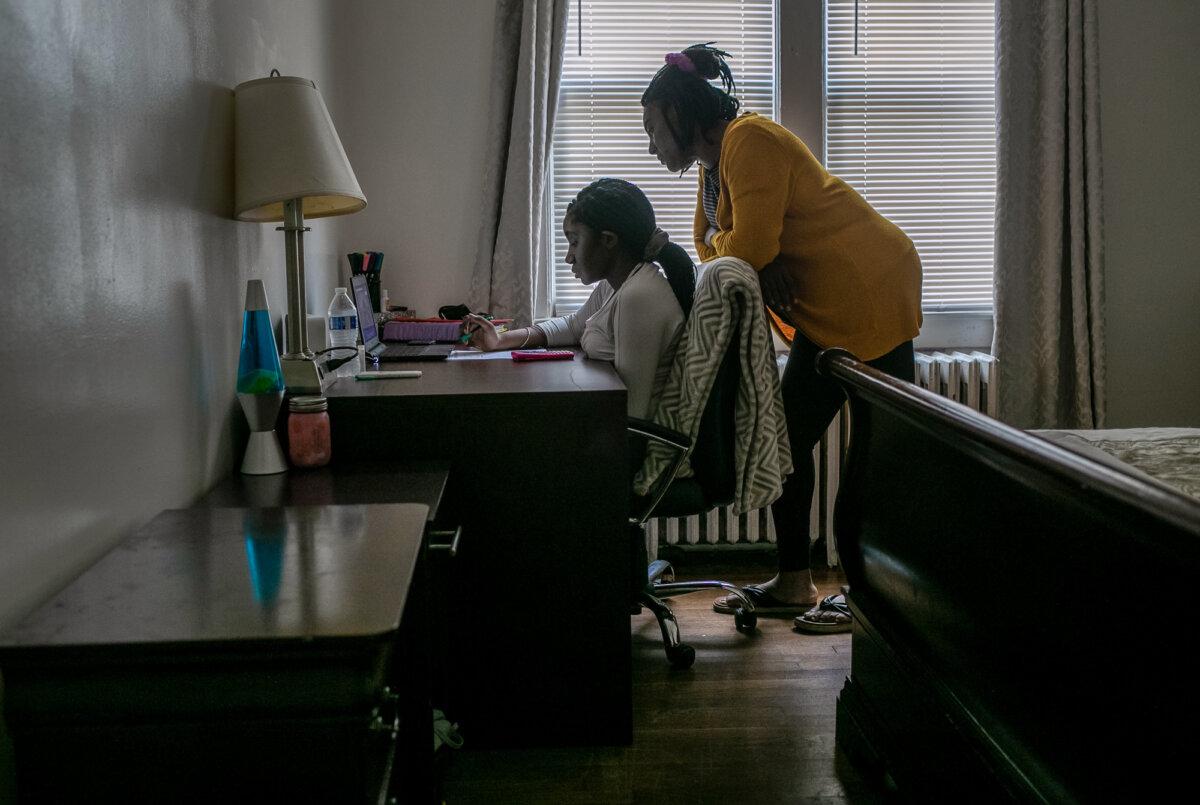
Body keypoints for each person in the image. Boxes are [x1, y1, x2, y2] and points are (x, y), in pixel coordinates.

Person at [641, 44, 922, 632]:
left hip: (871, 291)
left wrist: (755, 255)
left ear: (677, 113)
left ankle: (875, 598)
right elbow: (718, 250)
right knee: (783, 447)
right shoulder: (713, 170)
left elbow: (743, 248)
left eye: (652, 130)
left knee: (883, 453)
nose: (650, 146)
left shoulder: (750, 141)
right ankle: (796, 581)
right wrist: (753, 256)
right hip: (826, 314)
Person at [462, 177, 696, 420]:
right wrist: (499, 341)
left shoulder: (639, 297)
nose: (568, 257)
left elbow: (630, 412)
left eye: (575, 242)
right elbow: (574, 325)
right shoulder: (615, 285)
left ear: (608, 240)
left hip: (625, 440)